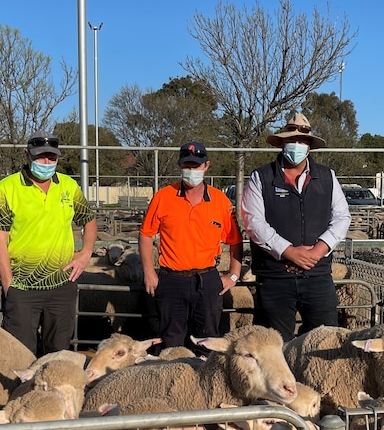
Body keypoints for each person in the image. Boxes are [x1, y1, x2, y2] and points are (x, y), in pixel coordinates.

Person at [0, 130, 98, 356]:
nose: (46, 163)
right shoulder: (7, 188)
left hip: (62, 285)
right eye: (40, 157)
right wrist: (9, 287)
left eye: (52, 158)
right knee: (21, 352)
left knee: (58, 351)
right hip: (23, 287)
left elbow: (89, 220)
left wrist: (85, 253)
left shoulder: (68, 186)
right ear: (27, 155)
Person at [241, 113, 351, 342]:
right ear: (282, 143)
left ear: (309, 147)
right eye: (292, 141)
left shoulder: (327, 177)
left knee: (323, 341)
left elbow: (342, 217)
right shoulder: (261, 177)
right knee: (274, 345)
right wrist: (288, 251)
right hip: (275, 277)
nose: (297, 146)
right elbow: (253, 222)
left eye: (302, 141)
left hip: (317, 275)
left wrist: (318, 251)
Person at [139, 141, 244, 350]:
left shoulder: (220, 201)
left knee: (208, 340)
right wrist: (149, 272)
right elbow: (145, 235)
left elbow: (235, 240)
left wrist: (233, 274)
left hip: (206, 279)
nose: (191, 171)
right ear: (180, 166)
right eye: (187, 166)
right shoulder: (163, 197)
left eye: (196, 166)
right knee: (171, 340)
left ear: (206, 166)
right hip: (171, 279)